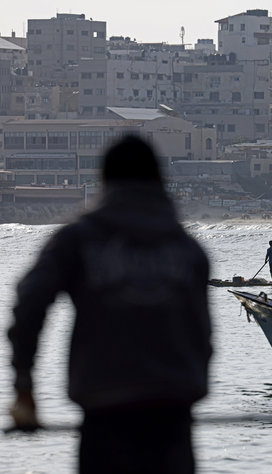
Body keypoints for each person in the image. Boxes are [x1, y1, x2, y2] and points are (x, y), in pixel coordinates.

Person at [7, 135, 212, 473]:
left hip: (105, 408)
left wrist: (25, 388)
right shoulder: (189, 250)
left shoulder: (77, 240)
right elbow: (203, 336)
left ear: (104, 181)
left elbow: (28, 305)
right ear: (159, 180)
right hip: (174, 411)